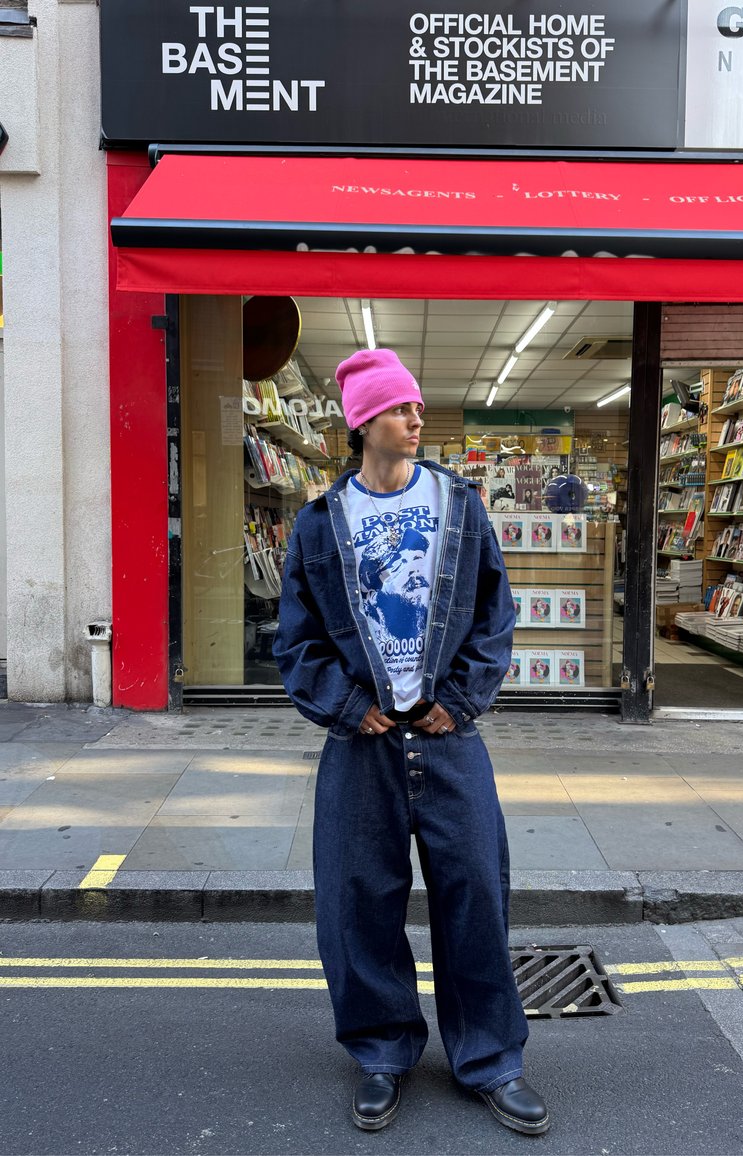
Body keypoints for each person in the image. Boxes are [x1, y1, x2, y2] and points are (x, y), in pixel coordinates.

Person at [273, 348, 549, 1137]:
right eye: (401, 409)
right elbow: (295, 640)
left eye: (418, 407)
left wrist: (459, 700)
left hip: (447, 737)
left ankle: (491, 1059)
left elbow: (496, 613)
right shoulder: (322, 522)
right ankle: (384, 1053)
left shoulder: (460, 505)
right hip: (363, 743)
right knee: (358, 903)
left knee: (477, 897)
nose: (417, 418)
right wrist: (346, 704)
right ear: (365, 422)